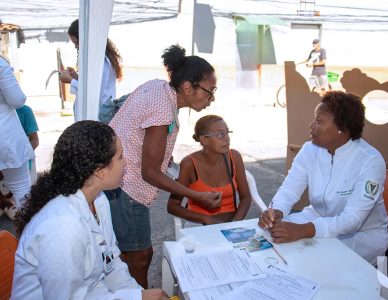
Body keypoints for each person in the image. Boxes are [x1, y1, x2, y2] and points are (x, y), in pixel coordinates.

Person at [12, 120, 169, 300]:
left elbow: (111, 263)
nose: (126, 162)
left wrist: (137, 293)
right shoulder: (62, 227)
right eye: (120, 157)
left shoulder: (99, 200)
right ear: (99, 171)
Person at [106, 44, 220, 288]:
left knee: (128, 254)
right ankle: (138, 295)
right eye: (210, 91)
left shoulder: (160, 88)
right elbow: (149, 172)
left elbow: (143, 135)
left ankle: (125, 291)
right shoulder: (163, 109)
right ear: (188, 88)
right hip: (126, 186)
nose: (212, 98)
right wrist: (195, 195)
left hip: (118, 177)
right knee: (140, 256)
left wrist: (164, 157)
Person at [258, 91, 388, 265]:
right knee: (269, 236)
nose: (311, 126)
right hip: (316, 219)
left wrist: (305, 230)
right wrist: (276, 211)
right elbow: (289, 189)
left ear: (342, 128)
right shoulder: (309, 150)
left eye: (319, 121)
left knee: (313, 263)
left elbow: (352, 220)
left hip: (361, 236)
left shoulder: (370, 160)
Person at [167, 115, 251, 225]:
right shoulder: (189, 164)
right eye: (221, 134)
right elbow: (173, 206)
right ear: (204, 140)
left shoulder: (234, 157)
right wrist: (206, 219)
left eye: (227, 133)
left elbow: (246, 198)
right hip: (200, 226)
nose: (227, 138)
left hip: (231, 224)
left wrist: (234, 223)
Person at [59, 19, 123, 121]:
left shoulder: (100, 61)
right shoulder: (100, 58)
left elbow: (94, 91)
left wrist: (71, 81)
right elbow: (93, 84)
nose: (76, 47)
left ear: (85, 39)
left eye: (76, 42)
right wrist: (76, 77)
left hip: (97, 118)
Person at [0, 55, 34, 208]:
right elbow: (17, 100)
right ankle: (27, 231)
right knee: (22, 193)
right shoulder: (0, 64)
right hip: (5, 136)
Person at [16, 104, 39, 184]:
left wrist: (20, 158)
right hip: (5, 163)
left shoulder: (24, 110)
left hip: (24, 162)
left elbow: (35, 140)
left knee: (27, 191)